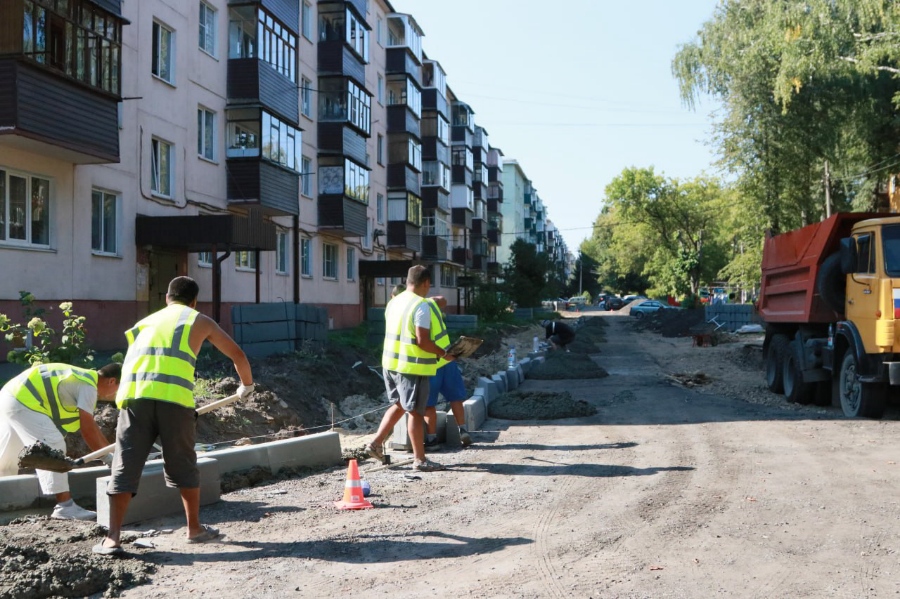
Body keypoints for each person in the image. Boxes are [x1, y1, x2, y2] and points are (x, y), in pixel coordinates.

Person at [95, 276, 254, 556]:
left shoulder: (144, 323)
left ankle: (112, 538)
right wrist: (247, 386)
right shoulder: (198, 320)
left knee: (125, 465)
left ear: (167, 298)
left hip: (135, 401)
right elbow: (237, 354)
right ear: (194, 301)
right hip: (174, 403)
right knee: (183, 464)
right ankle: (194, 529)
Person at [0, 362, 121, 520]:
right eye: (120, 387)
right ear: (111, 381)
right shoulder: (89, 386)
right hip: (23, 400)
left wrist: (109, 455)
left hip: (10, 396)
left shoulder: (82, 380)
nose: (118, 393)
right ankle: (65, 507)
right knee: (52, 446)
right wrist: (108, 457)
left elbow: (90, 428)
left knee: (7, 459)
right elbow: (88, 430)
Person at [366, 265, 451, 472]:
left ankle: (375, 444)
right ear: (426, 283)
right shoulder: (421, 306)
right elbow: (423, 341)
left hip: (391, 364)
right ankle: (420, 460)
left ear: (407, 281)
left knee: (399, 405)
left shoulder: (394, 302)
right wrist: (445, 354)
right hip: (411, 367)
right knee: (415, 412)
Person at [422, 296, 472, 447]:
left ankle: (431, 439)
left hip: (432, 363)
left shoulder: (416, 309)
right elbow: (443, 299)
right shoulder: (431, 304)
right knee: (455, 397)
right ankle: (462, 430)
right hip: (447, 359)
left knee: (428, 404)